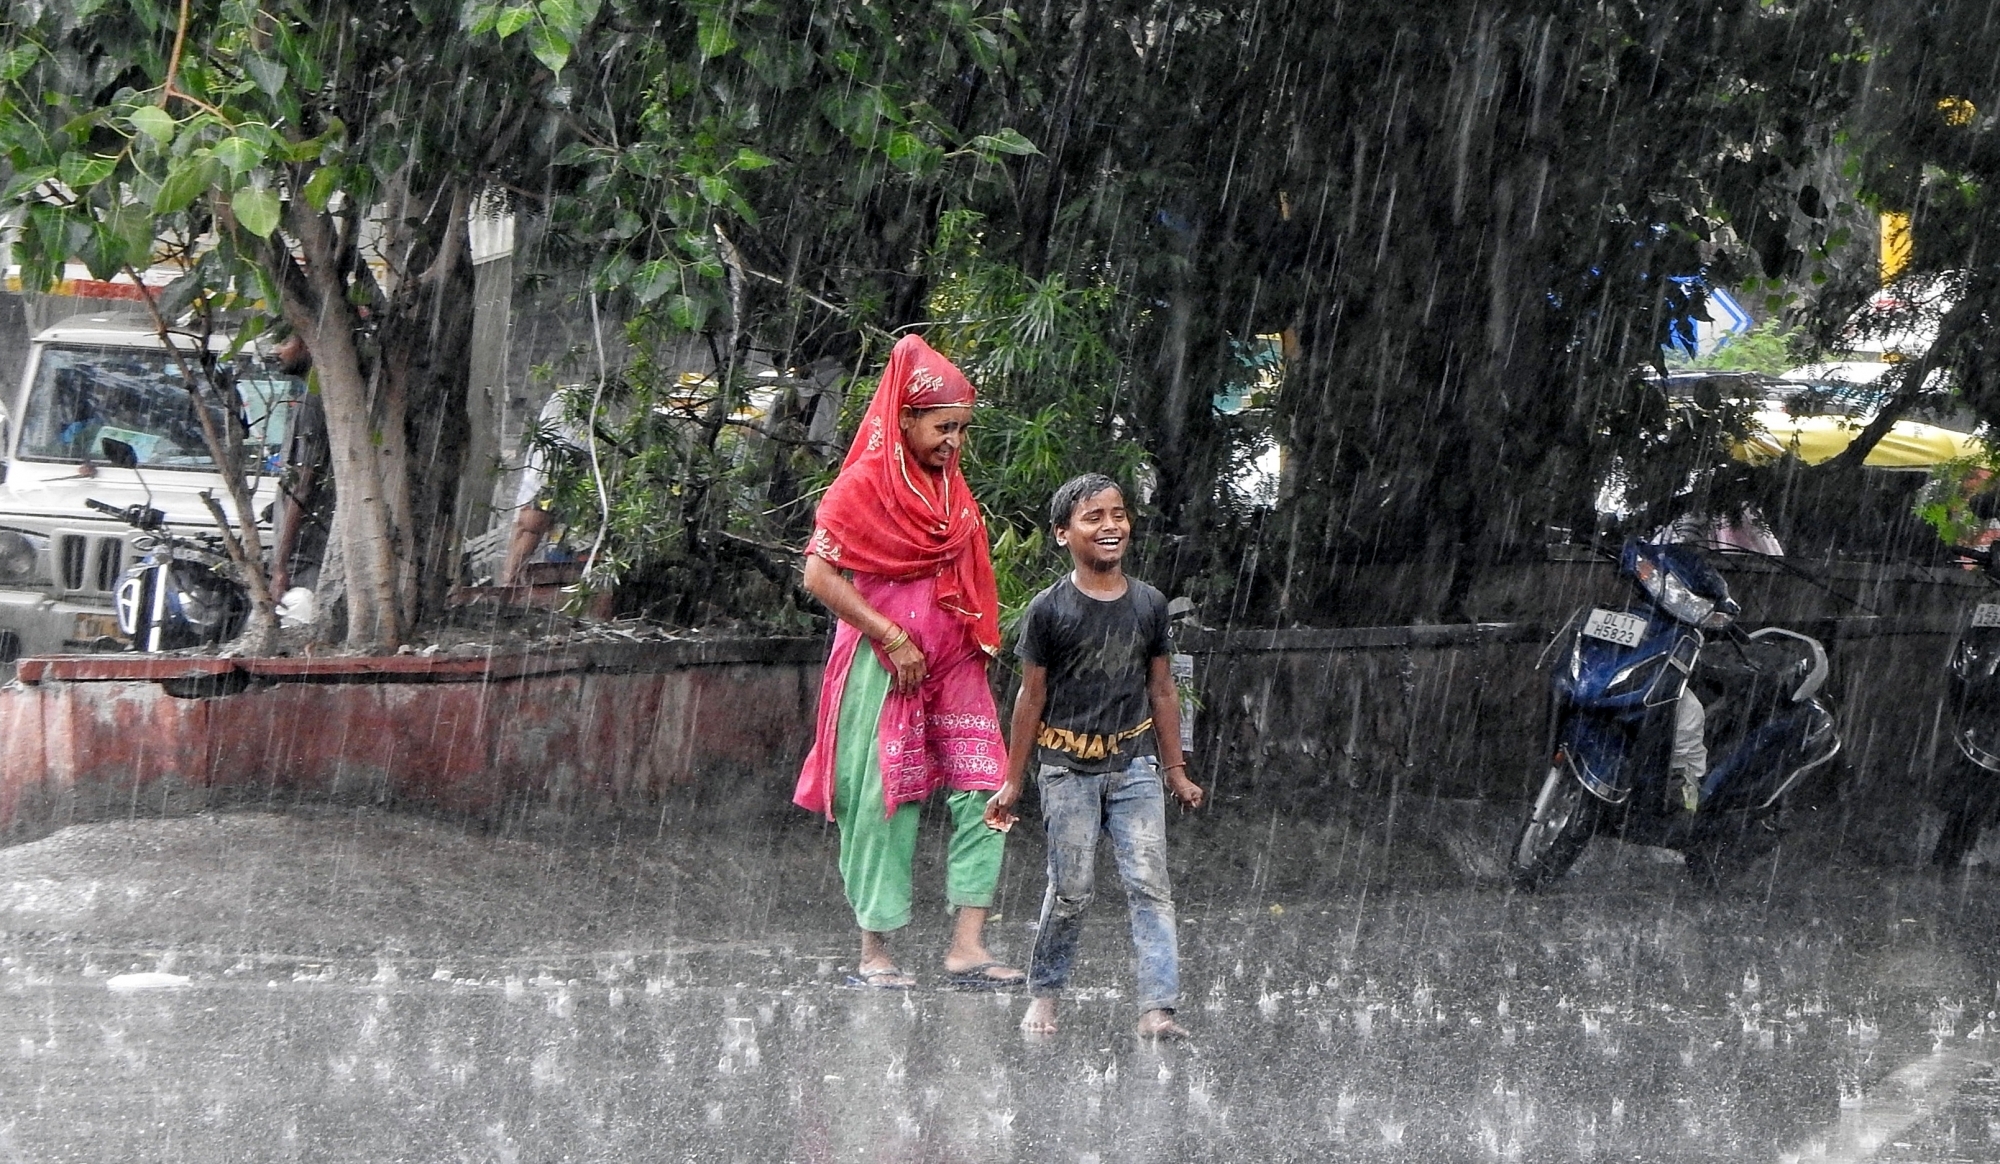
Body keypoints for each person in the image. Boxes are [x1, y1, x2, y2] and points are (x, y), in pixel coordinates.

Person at [794, 333, 1020, 990]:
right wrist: (890, 636)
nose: (954, 441)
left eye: (961, 429)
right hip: (881, 665)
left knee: (988, 792)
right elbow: (818, 575)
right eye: (942, 427)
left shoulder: (953, 491)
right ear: (905, 420)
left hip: (953, 668)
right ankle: (875, 950)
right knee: (884, 799)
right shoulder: (859, 486)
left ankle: (967, 947)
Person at [985, 473, 1206, 1038]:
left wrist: (1175, 768)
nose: (1111, 526)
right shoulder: (1048, 611)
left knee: (1150, 885)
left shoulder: (1149, 604)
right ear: (1063, 534)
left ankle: (1158, 1008)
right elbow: (1029, 698)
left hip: (1135, 766)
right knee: (1071, 889)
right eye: (1093, 518)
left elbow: (1161, 689)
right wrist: (1013, 783)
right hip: (1066, 771)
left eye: (1118, 514)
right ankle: (1046, 993)